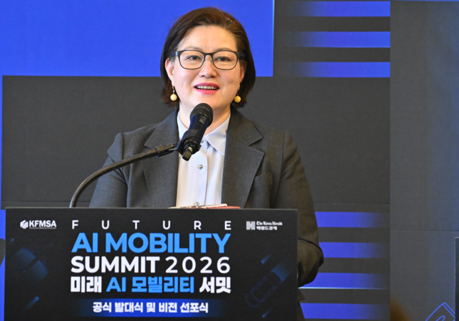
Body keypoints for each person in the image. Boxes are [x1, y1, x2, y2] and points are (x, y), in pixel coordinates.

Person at [89, 7, 323, 319]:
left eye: (223, 58)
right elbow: (93, 247)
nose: (208, 70)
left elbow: (307, 251)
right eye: (193, 57)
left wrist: (249, 248)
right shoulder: (129, 150)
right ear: (171, 69)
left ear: (241, 73)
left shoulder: (276, 149)